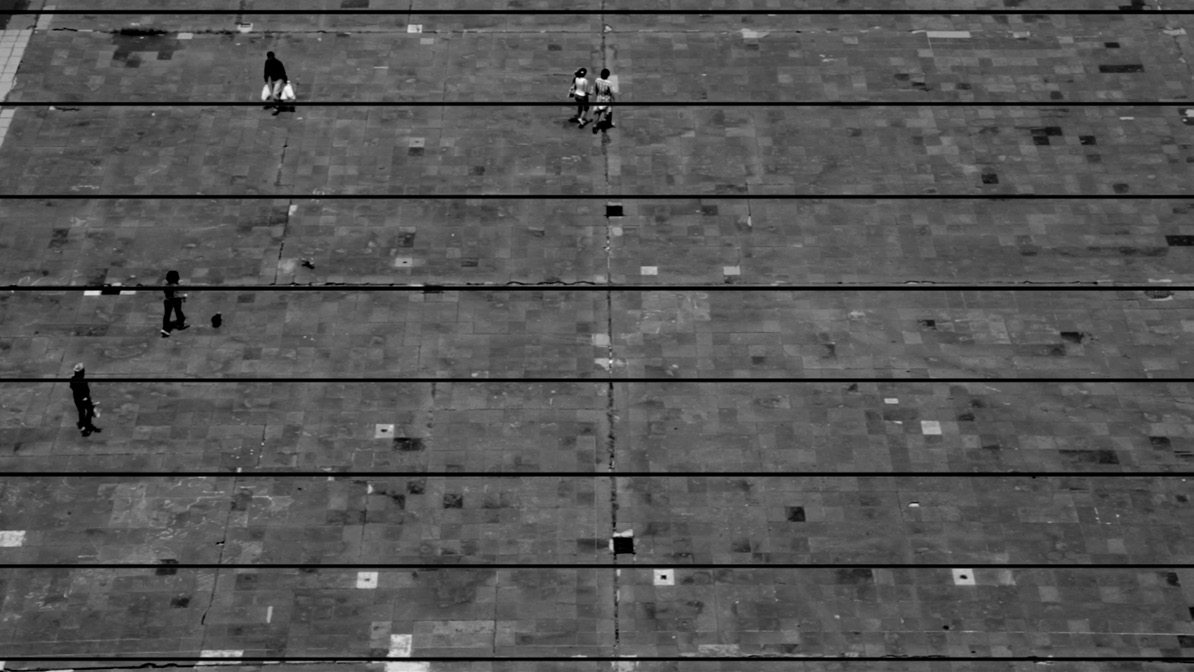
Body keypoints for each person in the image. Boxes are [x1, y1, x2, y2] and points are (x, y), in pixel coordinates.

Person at [69, 363, 101, 436]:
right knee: (89, 410)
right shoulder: (82, 381)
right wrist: (85, 398)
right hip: (83, 399)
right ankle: (86, 423)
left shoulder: (73, 379)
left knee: (81, 411)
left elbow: (72, 387)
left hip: (77, 398)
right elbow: (85, 391)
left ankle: (82, 424)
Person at [161, 270, 188, 338]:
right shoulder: (175, 286)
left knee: (167, 314)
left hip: (167, 300)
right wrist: (183, 297)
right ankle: (180, 324)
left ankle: (165, 328)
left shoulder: (165, 284)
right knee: (178, 312)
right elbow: (176, 295)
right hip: (176, 300)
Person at [591, 68, 616, 134]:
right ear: (608, 75)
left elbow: (596, 89)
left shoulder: (597, 80)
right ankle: (607, 123)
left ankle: (594, 126)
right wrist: (614, 99)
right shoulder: (609, 83)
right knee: (609, 111)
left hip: (599, 98)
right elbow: (611, 93)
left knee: (597, 113)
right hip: (606, 100)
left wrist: (597, 96)